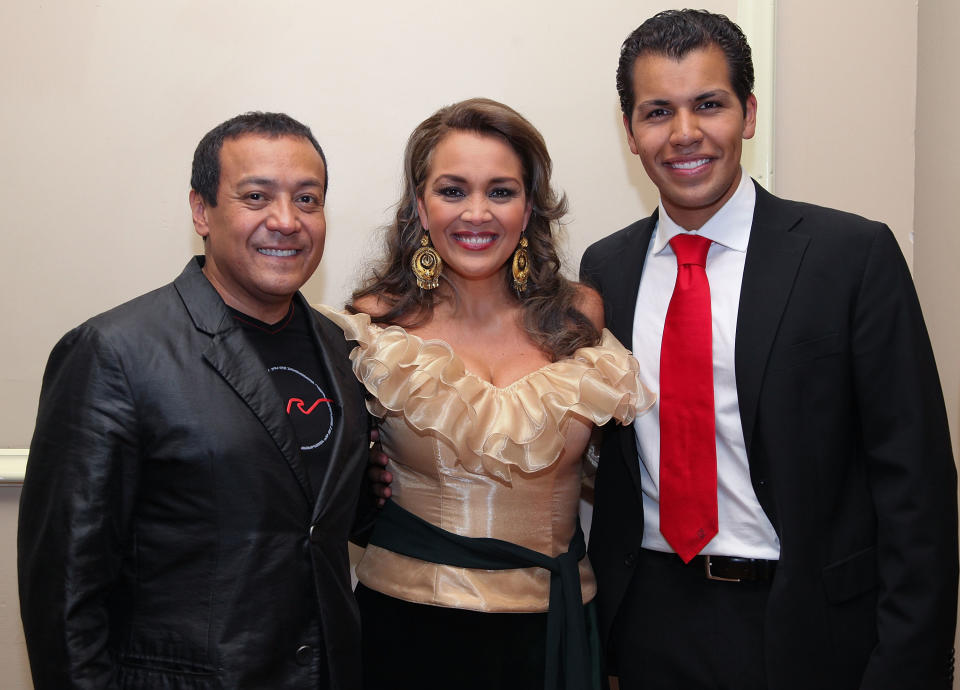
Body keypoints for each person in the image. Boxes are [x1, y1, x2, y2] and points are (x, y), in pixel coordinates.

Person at [581, 9, 958, 690]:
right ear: (631, 131)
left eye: (710, 105)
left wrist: (908, 665)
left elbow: (917, 489)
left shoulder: (850, 257)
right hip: (649, 625)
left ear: (748, 114)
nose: (685, 133)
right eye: (658, 111)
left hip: (811, 629)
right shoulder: (605, 270)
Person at [18, 112, 374, 689]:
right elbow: (63, 591)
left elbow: (316, 520)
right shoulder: (114, 352)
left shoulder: (338, 349)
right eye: (256, 196)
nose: (286, 220)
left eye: (307, 200)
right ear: (202, 210)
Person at [318, 97, 652, 690]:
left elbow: (624, 469)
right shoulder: (372, 327)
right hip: (407, 630)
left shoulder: (580, 317)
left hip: (556, 627)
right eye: (453, 191)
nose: (477, 213)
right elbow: (324, 470)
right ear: (420, 206)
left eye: (501, 191)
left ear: (529, 209)